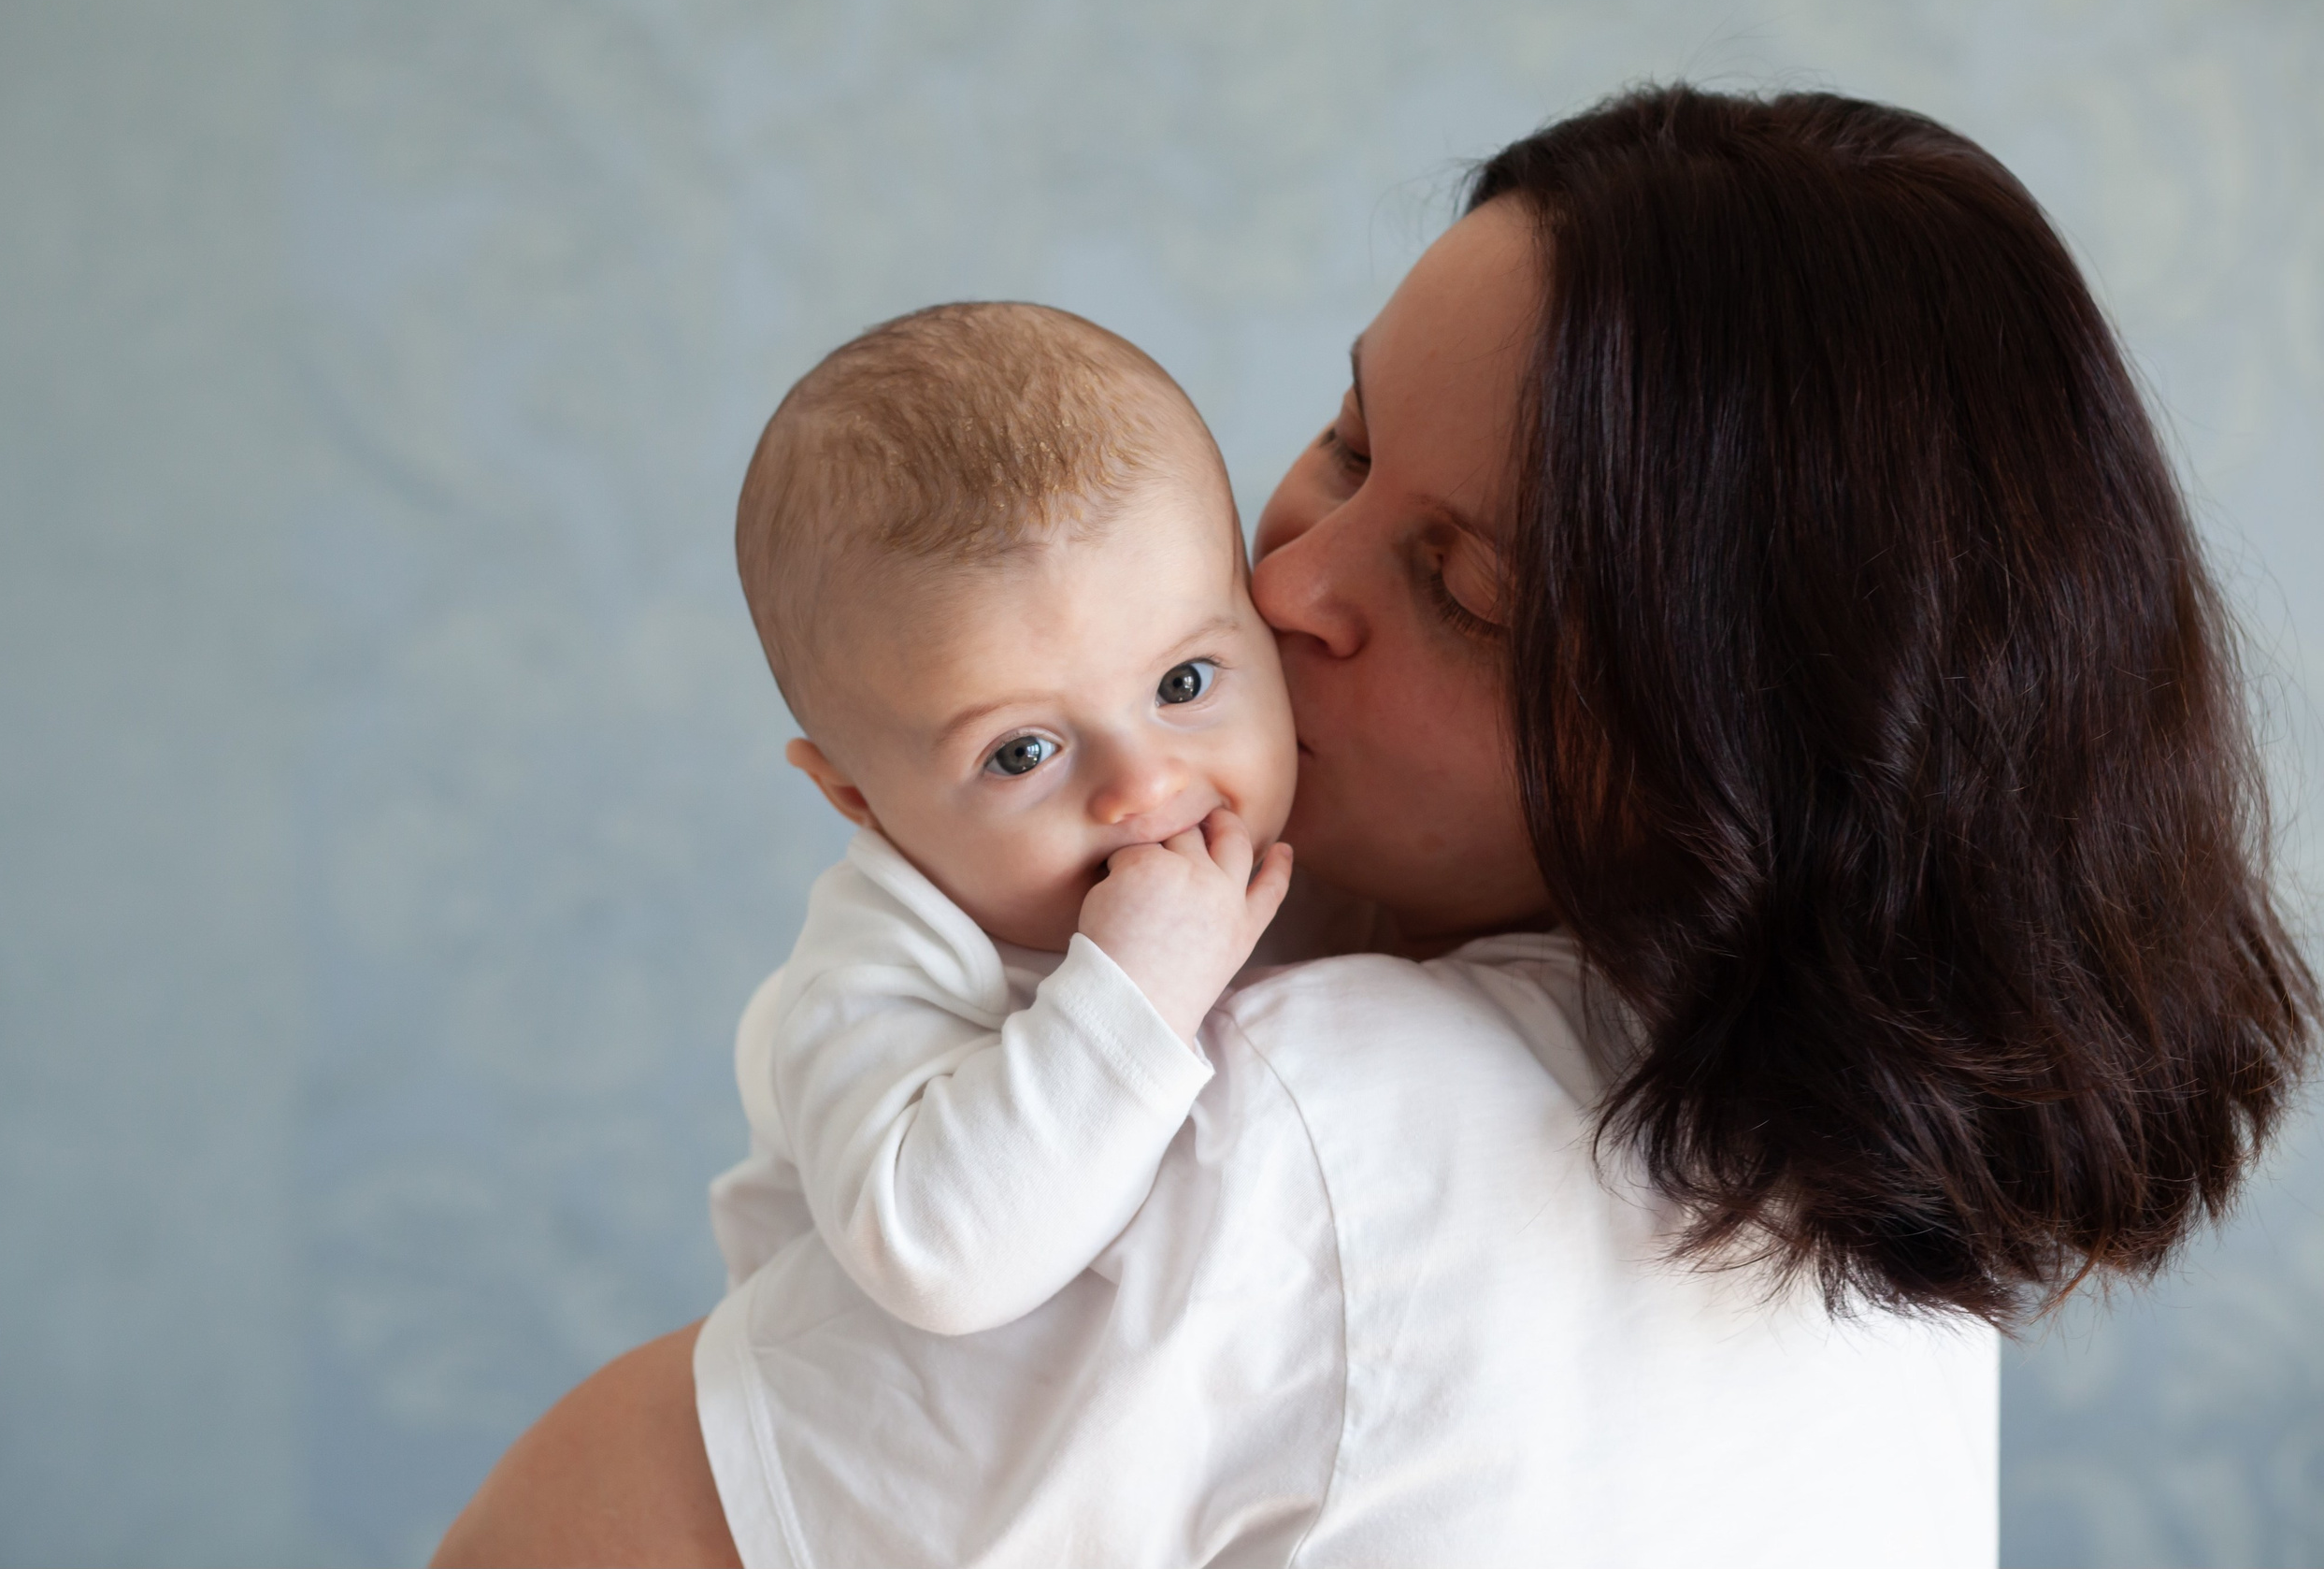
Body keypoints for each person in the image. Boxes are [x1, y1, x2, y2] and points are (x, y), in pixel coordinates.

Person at [434, 84, 2317, 1568]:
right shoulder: (1876, 1187)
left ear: (1737, 749)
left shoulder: (1310, 1129)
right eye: (1340, 437)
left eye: (1458, 586)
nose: (1282, 579)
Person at [715, 300, 1294, 1342]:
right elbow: (941, 1263)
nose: (1144, 784)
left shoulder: (1309, 840)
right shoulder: (877, 974)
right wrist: (1135, 993)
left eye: (1184, 679)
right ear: (858, 799)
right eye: (1021, 752)